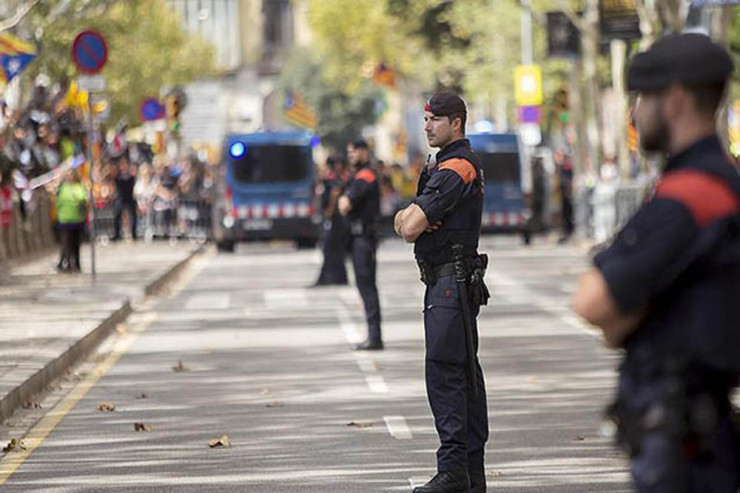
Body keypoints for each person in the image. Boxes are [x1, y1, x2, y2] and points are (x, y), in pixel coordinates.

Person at [573, 33, 740, 493]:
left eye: (644, 97)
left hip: (684, 449)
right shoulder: (719, 185)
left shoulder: (690, 196)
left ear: (676, 98)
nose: (635, 113)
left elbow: (593, 303)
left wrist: (629, 313)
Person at [394, 92, 490, 493]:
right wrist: (411, 215)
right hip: (448, 283)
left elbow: (410, 225)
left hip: (449, 284)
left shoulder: (456, 168)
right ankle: (470, 474)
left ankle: (454, 471)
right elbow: (404, 219)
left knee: (447, 373)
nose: (428, 126)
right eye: (426, 119)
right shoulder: (447, 165)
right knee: (462, 373)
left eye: (435, 119)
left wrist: (413, 216)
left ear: (457, 122)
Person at [338, 140, 383, 350]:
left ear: (365, 152)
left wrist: (344, 201)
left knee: (367, 287)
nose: (351, 154)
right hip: (357, 238)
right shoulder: (356, 175)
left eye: (355, 151)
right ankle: (373, 335)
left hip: (364, 238)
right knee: (364, 286)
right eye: (349, 151)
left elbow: (345, 204)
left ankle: (374, 337)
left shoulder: (366, 175)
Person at [313, 156, 350, 286]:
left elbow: (334, 195)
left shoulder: (336, 180)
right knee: (335, 249)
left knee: (329, 248)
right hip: (335, 218)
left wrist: (329, 211)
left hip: (335, 219)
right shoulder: (333, 179)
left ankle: (326, 278)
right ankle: (338, 277)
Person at [56, 168, 88, 273]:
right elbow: (58, 200)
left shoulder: (79, 187)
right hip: (65, 219)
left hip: (77, 219)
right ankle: (67, 263)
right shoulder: (62, 188)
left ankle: (77, 264)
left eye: (71, 175)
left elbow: (82, 198)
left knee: (76, 243)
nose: (70, 177)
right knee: (66, 243)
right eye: (68, 175)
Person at [113, 155, 137, 241]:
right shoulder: (118, 177)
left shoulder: (131, 177)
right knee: (117, 214)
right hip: (121, 198)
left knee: (133, 215)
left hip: (129, 197)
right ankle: (117, 233)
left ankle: (134, 234)